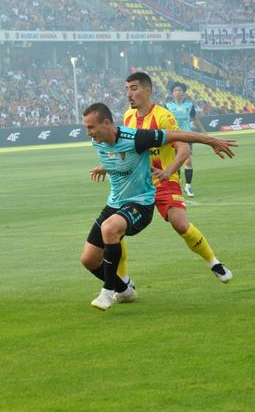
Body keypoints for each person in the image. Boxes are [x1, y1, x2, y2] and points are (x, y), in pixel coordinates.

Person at [82, 102, 237, 311]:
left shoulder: (138, 136)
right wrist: (105, 167)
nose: (88, 133)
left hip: (141, 201)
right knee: (89, 260)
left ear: (107, 123)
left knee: (111, 228)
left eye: (91, 127)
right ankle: (125, 290)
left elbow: (180, 137)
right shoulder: (99, 141)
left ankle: (108, 291)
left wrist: (211, 140)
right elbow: (119, 158)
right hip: (115, 202)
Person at [121, 72, 233, 286]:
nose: (129, 94)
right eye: (127, 89)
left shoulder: (163, 116)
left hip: (165, 180)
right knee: (114, 229)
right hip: (138, 185)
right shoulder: (128, 117)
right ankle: (123, 281)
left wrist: (167, 171)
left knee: (181, 225)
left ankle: (214, 262)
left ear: (148, 90)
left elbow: (183, 149)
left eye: (134, 88)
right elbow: (126, 149)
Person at [165, 82, 206, 197]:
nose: (178, 93)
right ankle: (176, 185)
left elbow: (195, 118)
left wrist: (204, 132)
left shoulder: (189, 105)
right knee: (176, 162)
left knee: (188, 161)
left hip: (186, 136)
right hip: (173, 137)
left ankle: (188, 186)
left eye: (180, 91)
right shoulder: (167, 106)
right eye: (175, 91)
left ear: (183, 93)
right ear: (172, 93)